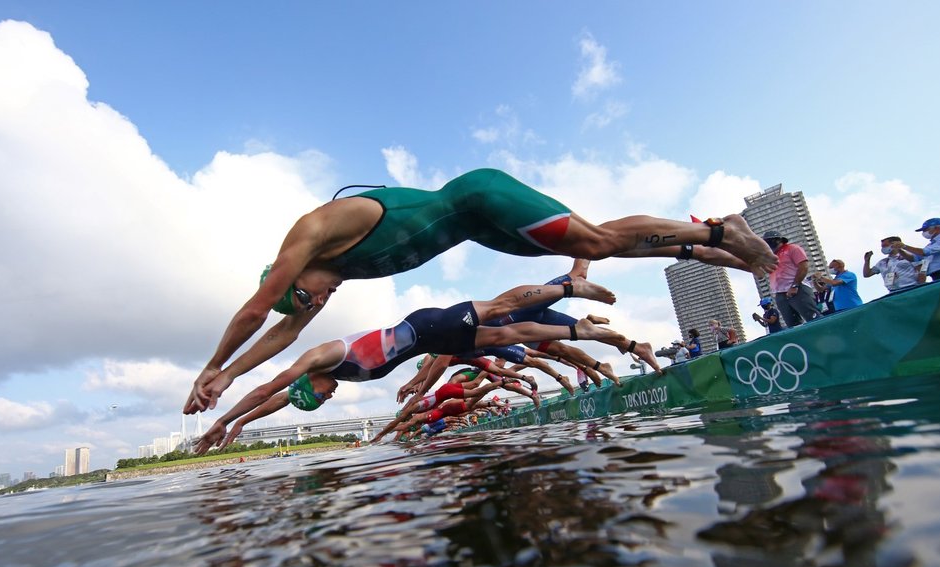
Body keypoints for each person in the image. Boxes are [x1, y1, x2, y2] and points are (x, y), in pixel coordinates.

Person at [184, 168, 779, 414]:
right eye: (313, 304)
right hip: (482, 231)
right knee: (587, 258)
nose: (320, 302)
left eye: (308, 296)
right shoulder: (335, 279)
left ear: (289, 276)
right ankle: (706, 249)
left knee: (592, 242)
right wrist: (229, 378)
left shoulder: (314, 232)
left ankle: (723, 229)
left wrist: (214, 363)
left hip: (480, 197)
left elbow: (262, 311)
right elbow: (283, 331)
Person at [194, 279, 662, 453]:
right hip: (435, 344)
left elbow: (269, 388)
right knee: (514, 337)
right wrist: (235, 427)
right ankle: (597, 335)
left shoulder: (320, 358)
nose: (330, 396)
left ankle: (567, 287)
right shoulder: (329, 376)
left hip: (425, 326)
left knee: (501, 312)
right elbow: (273, 402)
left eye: (320, 398)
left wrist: (220, 415)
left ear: (310, 385)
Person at [763, 231, 820, 327]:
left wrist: (795, 285)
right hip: (780, 293)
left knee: (813, 318)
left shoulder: (792, 248)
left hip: (797, 289)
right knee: (792, 324)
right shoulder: (772, 257)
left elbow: (803, 267)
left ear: (778, 240)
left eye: (770, 241)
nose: (768, 244)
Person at [901, 217, 940, 282]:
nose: (924, 232)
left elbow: (924, 252)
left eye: (926, 229)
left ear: (937, 228)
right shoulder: (931, 244)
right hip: (937, 275)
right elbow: (914, 258)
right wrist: (899, 250)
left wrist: (904, 246)